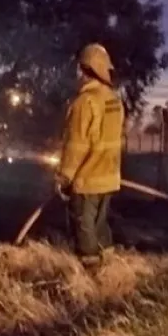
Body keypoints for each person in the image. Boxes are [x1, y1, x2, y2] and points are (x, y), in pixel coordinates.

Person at [55, 43, 124, 271]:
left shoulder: (85, 102)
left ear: (87, 69)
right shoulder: (114, 100)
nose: (76, 73)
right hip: (109, 178)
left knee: (83, 228)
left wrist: (64, 178)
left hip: (87, 179)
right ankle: (111, 271)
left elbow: (76, 146)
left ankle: (90, 278)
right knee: (100, 225)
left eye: (79, 68)